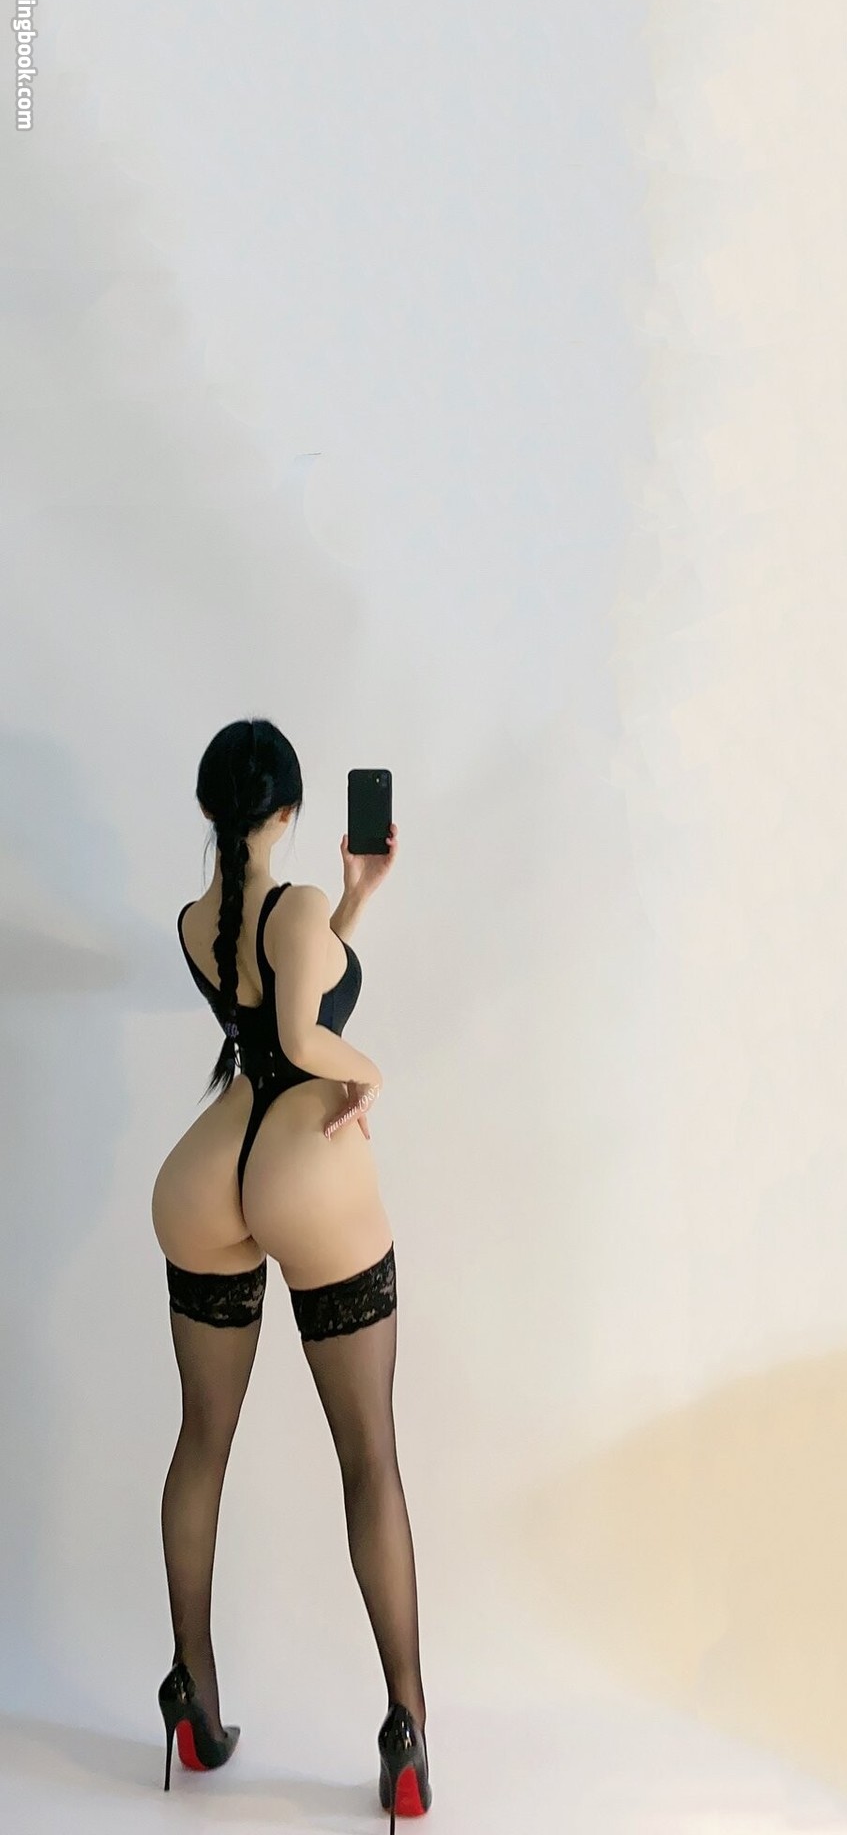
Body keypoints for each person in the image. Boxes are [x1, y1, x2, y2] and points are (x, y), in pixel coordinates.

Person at [151, 717, 431, 1828]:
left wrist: (355, 902)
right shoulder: (293, 904)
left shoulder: (198, 919)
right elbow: (308, 1040)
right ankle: (406, 1728)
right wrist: (372, 1076)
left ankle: (191, 1692)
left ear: (210, 810)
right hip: (300, 1162)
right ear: (290, 811)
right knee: (370, 1461)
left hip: (205, 1170)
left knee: (200, 1441)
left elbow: (275, 994)